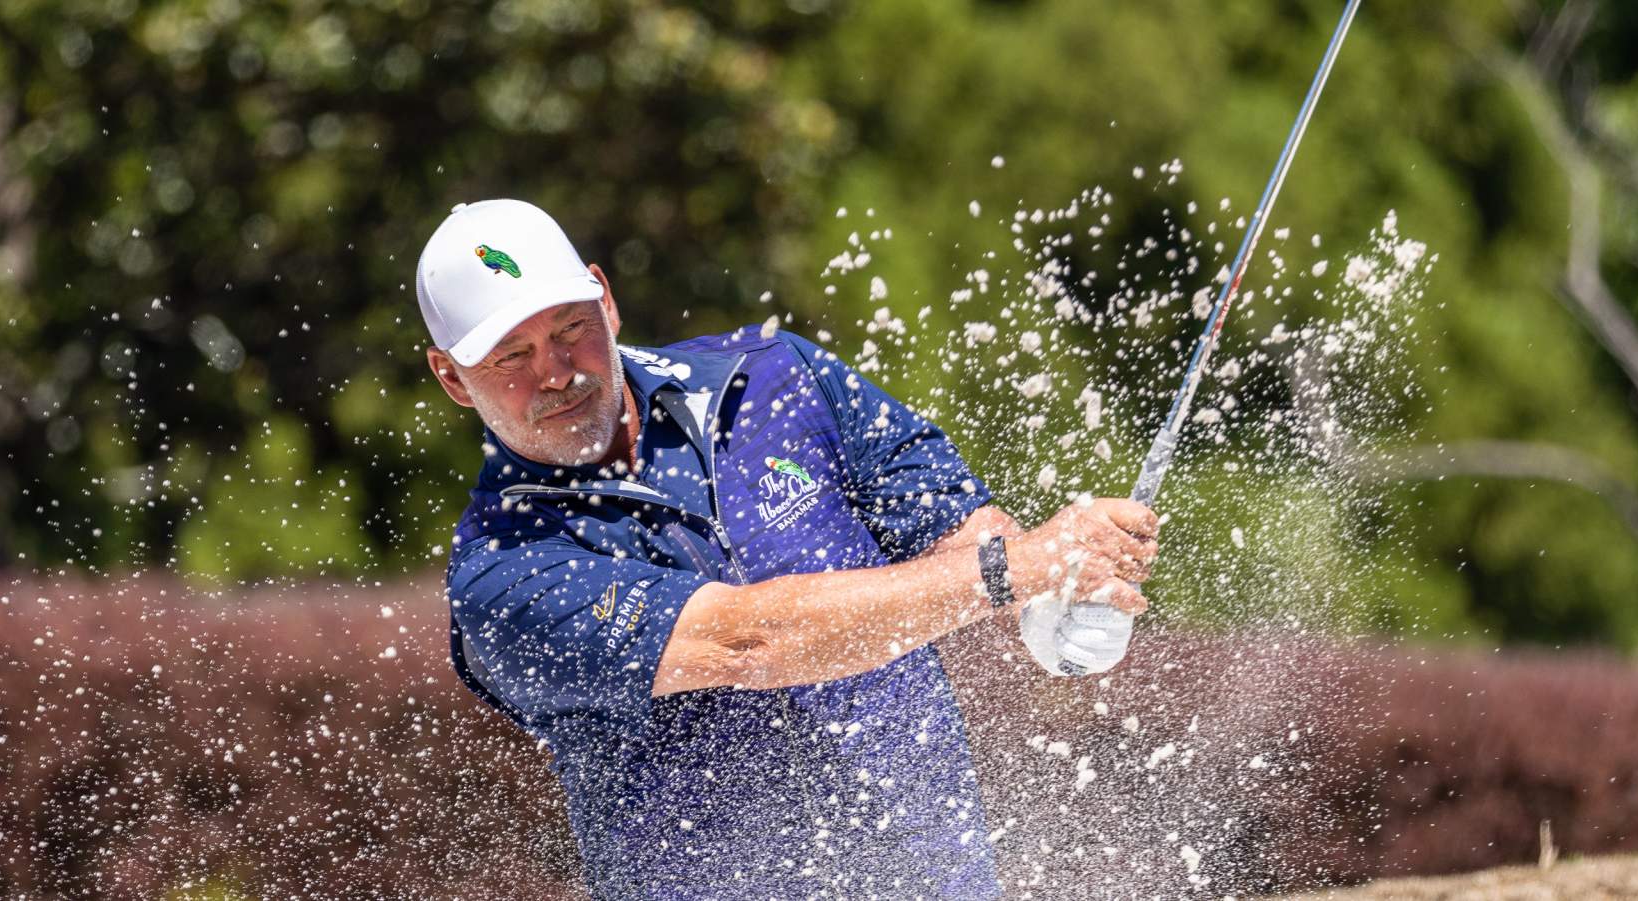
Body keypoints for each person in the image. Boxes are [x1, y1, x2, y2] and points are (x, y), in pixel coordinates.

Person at [417, 199, 1157, 899]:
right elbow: (749, 639)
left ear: (604, 299)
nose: (554, 371)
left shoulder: (776, 374)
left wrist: (1053, 592)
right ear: (450, 376)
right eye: (510, 355)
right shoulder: (501, 574)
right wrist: (1012, 571)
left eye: (568, 327)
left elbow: (954, 529)